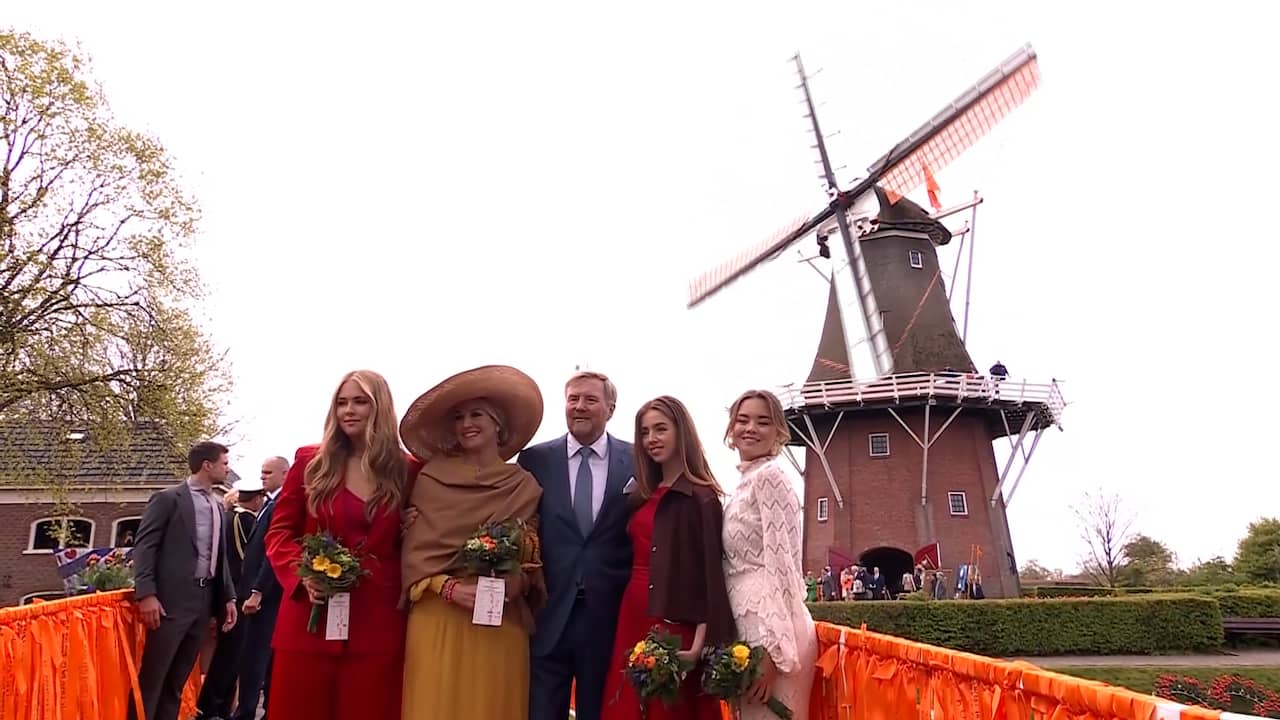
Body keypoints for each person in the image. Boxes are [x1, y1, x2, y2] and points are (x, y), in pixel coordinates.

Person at [265, 370, 424, 720]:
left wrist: (409, 527)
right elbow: (279, 533)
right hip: (309, 617)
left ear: (379, 406)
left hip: (379, 623)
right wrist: (301, 575)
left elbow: (423, 538)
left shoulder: (409, 470)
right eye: (342, 403)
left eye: (360, 402)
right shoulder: (310, 462)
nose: (348, 411)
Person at [399, 364, 548, 719]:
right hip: (439, 615)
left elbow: (530, 555)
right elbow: (414, 553)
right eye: (459, 417)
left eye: (477, 414)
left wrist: (515, 582)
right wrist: (449, 588)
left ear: (498, 424)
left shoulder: (524, 485)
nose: (466, 423)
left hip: (500, 621)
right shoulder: (430, 478)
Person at [601, 395, 735, 720]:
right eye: (645, 432)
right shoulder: (642, 495)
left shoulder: (702, 498)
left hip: (674, 619)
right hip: (633, 611)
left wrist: (699, 645)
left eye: (661, 429)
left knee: (669, 709)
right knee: (627, 706)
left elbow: (710, 577)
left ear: (681, 432)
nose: (651, 440)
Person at [518, 371, 635, 720]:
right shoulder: (534, 460)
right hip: (548, 612)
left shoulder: (637, 460)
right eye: (573, 399)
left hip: (607, 614)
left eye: (590, 400)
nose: (579, 407)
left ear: (610, 408)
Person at [720, 390, 817, 720]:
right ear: (731, 427)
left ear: (778, 432)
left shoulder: (771, 478)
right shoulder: (744, 483)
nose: (750, 428)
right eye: (743, 419)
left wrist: (774, 655)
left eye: (763, 421)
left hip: (772, 638)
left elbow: (782, 568)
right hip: (751, 630)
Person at [129, 441, 238, 720]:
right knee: (153, 677)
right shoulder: (168, 499)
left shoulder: (217, 505)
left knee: (177, 681)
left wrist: (228, 597)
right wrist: (146, 593)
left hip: (203, 602)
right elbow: (145, 546)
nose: (228, 469)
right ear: (207, 465)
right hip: (170, 601)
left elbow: (219, 556)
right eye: (225, 463)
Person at [197, 477, 267, 719]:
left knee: (231, 656)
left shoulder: (229, 517)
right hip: (238, 594)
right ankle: (211, 707)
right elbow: (244, 557)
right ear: (257, 498)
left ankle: (219, 707)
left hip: (230, 593)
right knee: (230, 657)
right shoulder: (242, 520)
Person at [232, 456, 290, 720]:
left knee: (256, 657)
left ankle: (247, 712)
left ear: (285, 473)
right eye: (262, 472)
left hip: (267, 597)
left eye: (268, 472)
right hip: (259, 594)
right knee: (258, 657)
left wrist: (258, 591)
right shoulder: (269, 504)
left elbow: (272, 552)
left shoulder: (281, 505)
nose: (263, 477)